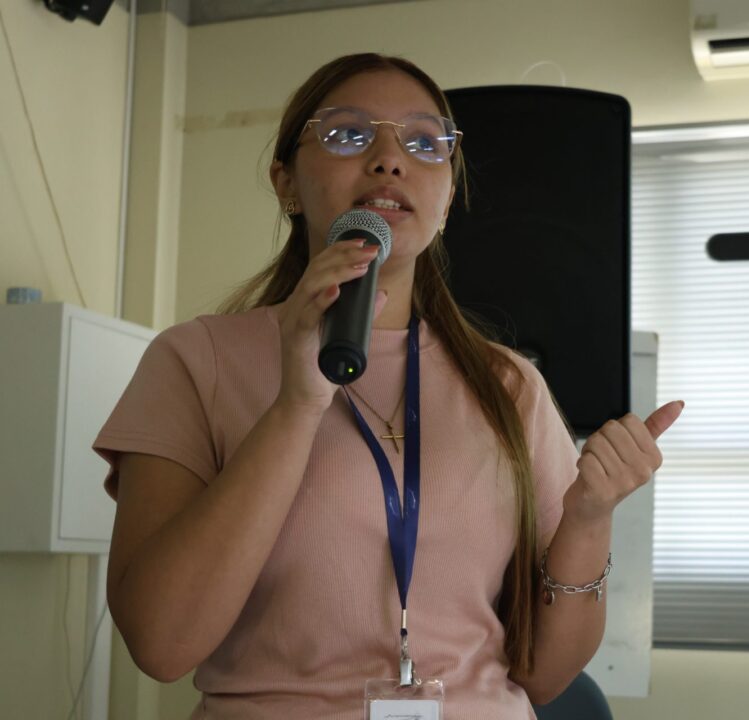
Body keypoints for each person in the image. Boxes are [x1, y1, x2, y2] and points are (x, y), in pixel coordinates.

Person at [94, 52, 683, 719]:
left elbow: (544, 678)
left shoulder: (509, 383)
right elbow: (161, 644)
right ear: (285, 183)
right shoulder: (194, 360)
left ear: (448, 196)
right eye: (348, 134)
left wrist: (589, 519)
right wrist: (297, 405)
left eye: (425, 143)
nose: (388, 159)